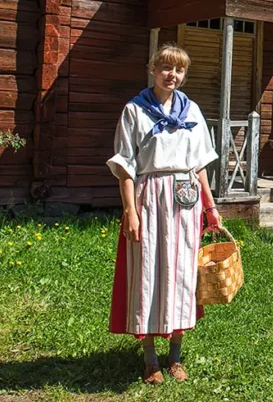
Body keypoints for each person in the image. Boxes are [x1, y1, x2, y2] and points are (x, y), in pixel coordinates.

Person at [106, 43, 224, 385]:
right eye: (166, 68)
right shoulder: (135, 111)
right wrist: (130, 211)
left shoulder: (192, 112)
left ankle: (175, 354)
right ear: (153, 69)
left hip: (186, 204)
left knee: (182, 276)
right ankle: (150, 358)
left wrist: (210, 207)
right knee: (149, 274)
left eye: (179, 70)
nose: (172, 75)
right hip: (150, 200)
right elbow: (126, 167)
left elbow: (200, 166)